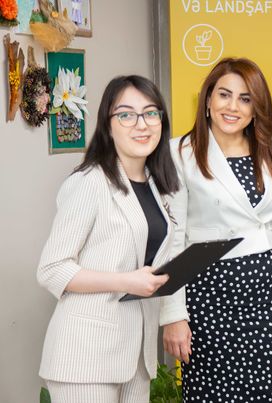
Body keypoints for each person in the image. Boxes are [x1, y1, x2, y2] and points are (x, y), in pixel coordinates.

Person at [160, 57, 272, 402]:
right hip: (209, 296)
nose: (233, 107)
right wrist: (173, 314)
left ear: (256, 107)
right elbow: (172, 240)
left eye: (245, 98)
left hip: (269, 292)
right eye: (224, 95)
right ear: (208, 99)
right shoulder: (180, 153)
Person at [37, 75, 179, 402]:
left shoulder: (156, 185)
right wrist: (126, 281)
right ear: (108, 125)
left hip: (136, 358)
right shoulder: (90, 181)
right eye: (126, 115)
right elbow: (51, 269)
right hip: (86, 355)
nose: (141, 124)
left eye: (151, 113)